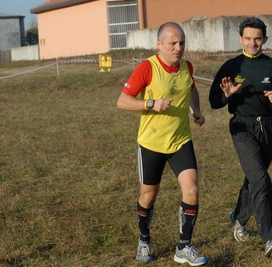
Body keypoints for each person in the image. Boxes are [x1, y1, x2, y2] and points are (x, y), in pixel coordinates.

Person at [117, 22, 207, 266]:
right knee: (148, 197)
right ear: (159, 44)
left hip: (180, 141)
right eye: (173, 43)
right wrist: (150, 104)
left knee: (192, 189)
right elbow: (122, 101)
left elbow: (191, 89)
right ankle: (144, 240)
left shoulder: (187, 66)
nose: (178, 48)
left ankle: (183, 247)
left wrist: (196, 110)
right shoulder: (147, 68)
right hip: (151, 143)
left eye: (182, 43)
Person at [209, 17, 272, 258]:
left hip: (268, 128)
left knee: (254, 178)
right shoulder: (230, 66)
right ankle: (270, 239)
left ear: (265, 39)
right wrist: (226, 95)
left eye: (257, 38)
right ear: (240, 39)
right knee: (261, 181)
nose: (252, 43)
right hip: (241, 127)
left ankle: (238, 218)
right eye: (248, 38)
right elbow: (214, 101)